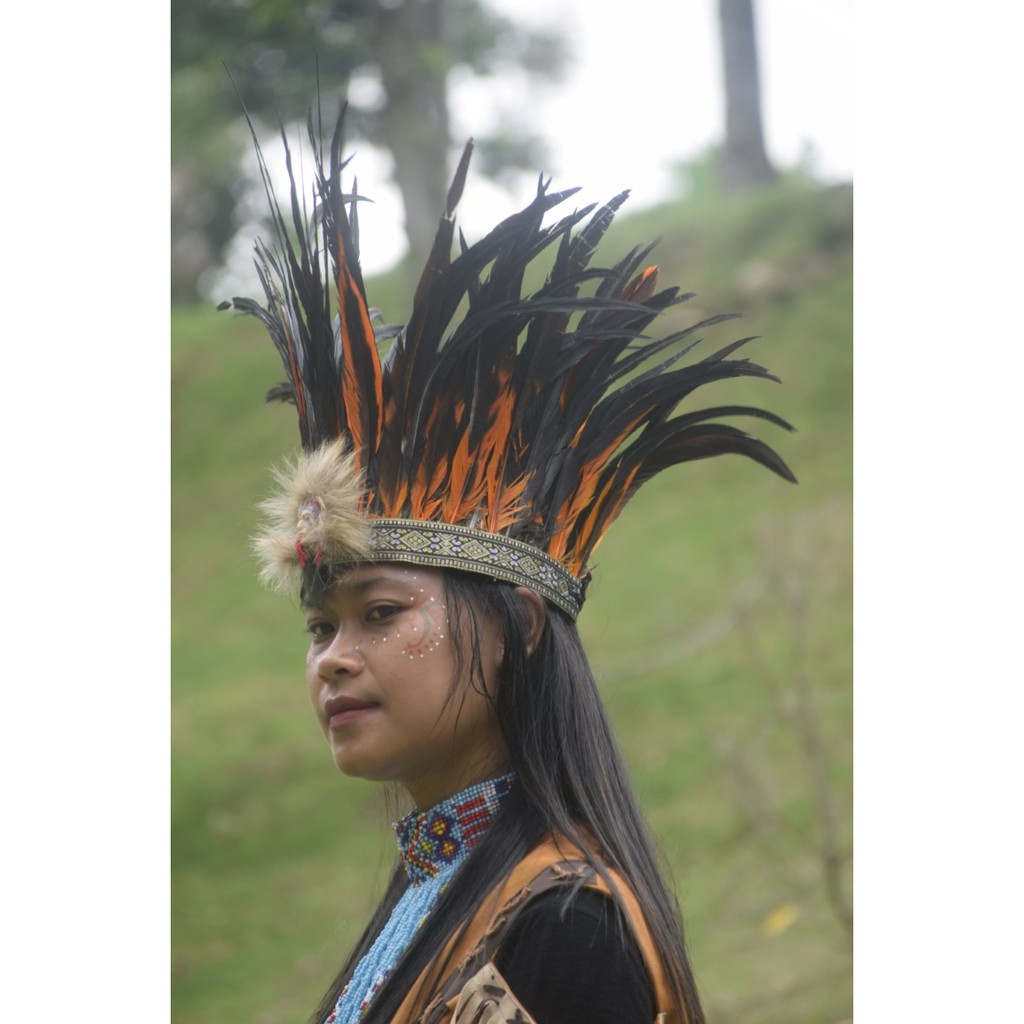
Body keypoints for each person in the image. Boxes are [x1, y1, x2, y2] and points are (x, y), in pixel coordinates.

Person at [224, 104, 795, 1024]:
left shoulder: (565, 922)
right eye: (320, 626)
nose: (331, 657)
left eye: (380, 613)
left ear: (521, 625)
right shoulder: (439, 893)